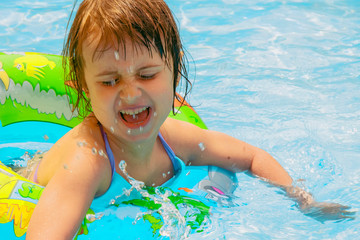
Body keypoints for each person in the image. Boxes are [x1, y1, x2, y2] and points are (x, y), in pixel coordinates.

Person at [25, 0, 354, 239]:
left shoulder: (172, 138)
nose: (129, 94)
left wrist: (305, 202)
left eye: (147, 74)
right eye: (109, 82)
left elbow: (252, 156)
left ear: (174, 72)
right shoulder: (87, 163)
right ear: (83, 87)